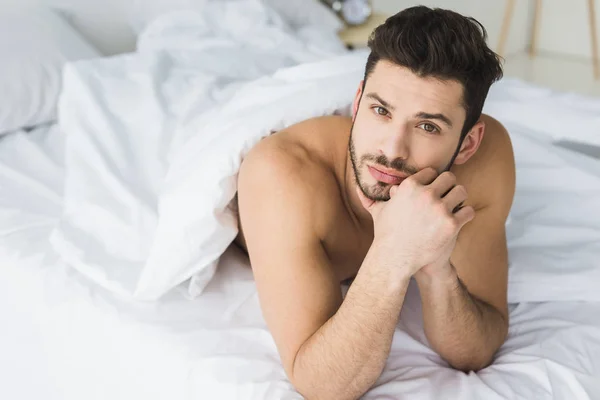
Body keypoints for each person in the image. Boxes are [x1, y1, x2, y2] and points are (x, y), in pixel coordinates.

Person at [235, 6, 515, 400]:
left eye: (427, 126)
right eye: (380, 111)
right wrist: (395, 254)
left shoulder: (487, 161)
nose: (392, 150)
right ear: (357, 102)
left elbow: (475, 349)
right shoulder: (284, 174)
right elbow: (322, 385)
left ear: (468, 143)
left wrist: (436, 267)